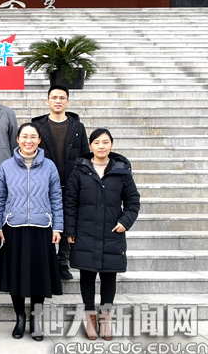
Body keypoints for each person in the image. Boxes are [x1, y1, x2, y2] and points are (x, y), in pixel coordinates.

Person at [64, 128, 140, 341]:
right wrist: (70, 230)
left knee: (109, 276)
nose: (101, 146)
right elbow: (70, 202)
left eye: (105, 142)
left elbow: (133, 201)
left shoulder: (122, 171)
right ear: (90, 146)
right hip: (85, 232)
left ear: (111, 145)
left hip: (112, 232)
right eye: (97, 142)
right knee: (87, 276)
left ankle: (105, 320)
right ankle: (90, 319)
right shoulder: (79, 170)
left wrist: (125, 221)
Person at [0, 122, 63, 341]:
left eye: (33, 137)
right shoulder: (6, 167)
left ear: (39, 140)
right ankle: (20, 318)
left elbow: (56, 197)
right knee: (15, 275)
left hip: (42, 228)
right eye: (24, 136)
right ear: (17, 139)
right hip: (13, 228)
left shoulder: (49, 166)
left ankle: (36, 319)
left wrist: (58, 227)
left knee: (39, 276)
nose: (28, 141)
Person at [32, 84, 89, 280]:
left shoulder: (77, 127)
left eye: (62, 98)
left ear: (68, 102)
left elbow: (85, 156)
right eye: (54, 97)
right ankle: (46, 260)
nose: (58, 101)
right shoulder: (38, 127)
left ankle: (63, 261)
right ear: (47, 101)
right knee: (45, 221)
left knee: (67, 221)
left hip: (71, 182)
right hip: (44, 184)